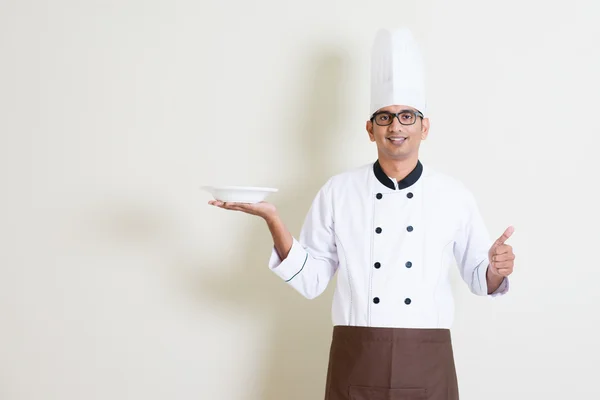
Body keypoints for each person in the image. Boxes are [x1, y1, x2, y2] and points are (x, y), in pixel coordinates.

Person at [209, 27, 516, 400]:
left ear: (425, 127)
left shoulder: (453, 195)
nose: (396, 126)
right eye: (384, 118)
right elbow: (313, 279)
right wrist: (273, 220)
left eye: (407, 116)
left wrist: (497, 268)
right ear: (370, 130)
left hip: (428, 356)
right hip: (356, 353)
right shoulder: (338, 191)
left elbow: (480, 279)